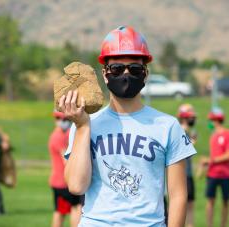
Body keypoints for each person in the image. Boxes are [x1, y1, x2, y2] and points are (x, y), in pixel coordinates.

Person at [60, 26, 197, 227]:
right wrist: (82, 127)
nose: (125, 74)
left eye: (134, 69)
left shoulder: (168, 126)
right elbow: (76, 186)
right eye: (116, 68)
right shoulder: (86, 122)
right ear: (105, 74)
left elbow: (177, 196)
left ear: (145, 74)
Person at [200, 107, 229, 227]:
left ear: (216, 120)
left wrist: (211, 160)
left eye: (211, 120)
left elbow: (228, 155)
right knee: (210, 201)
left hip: (225, 174)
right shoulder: (213, 136)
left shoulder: (228, 134)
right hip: (212, 174)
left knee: (225, 201)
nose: (210, 123)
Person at [49, 111, 85, 227]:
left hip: (60, 181)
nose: (63, 122)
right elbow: (66, 160)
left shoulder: (64, 134)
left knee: (61, 211)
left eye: (66, 120)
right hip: (64, 182)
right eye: (60, 119)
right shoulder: (58, 137)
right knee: (75, 208)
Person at [177, 104, 197, 227]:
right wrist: (192, 143)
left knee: (190, 205)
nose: (193, 119)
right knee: (184, 205)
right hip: (183, 175)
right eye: (191, 117)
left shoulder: (185, 131)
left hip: (188, 174)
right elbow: (182, 154)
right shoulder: (181, 131)